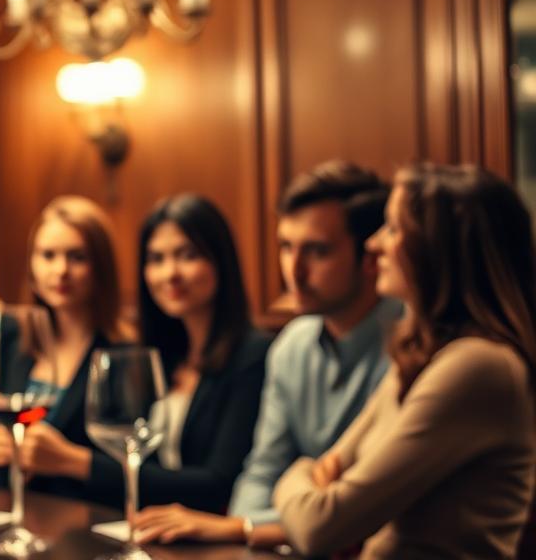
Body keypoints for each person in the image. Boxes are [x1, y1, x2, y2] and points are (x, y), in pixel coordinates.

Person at [274, 164, 536, 558]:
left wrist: (295, 473)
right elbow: (334, 468)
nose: (374, 244)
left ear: (440, 249)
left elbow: (320, 526)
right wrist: (315, 480)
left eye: (394, 230)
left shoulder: (478, 366)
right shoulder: (422, 355)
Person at [134, 161, 397, 547]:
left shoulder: (411, 346)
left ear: (371, 255)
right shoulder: (294, 344)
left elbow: (369, 503)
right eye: (286, 247)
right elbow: (260, 475)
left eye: (318, 251)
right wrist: (249, 527)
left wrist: (245, 527)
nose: (294, 270)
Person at [91, 194, 269, 514]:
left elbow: (219, 484)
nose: (170, 273)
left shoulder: (253, 355)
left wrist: (81, 465)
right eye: (156, 259)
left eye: (187, 255)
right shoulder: (160, 357)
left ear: (220, 261)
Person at [0, 195, 132, 498]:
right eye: (48, 255)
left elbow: (140, 468)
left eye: (77, 257)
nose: (61, 270)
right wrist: (1, 446)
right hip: (13, 512)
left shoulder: (124, 354)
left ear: (101, 266)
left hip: (86, 521)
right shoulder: (14, 339)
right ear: (32, 266)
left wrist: (68, 460)